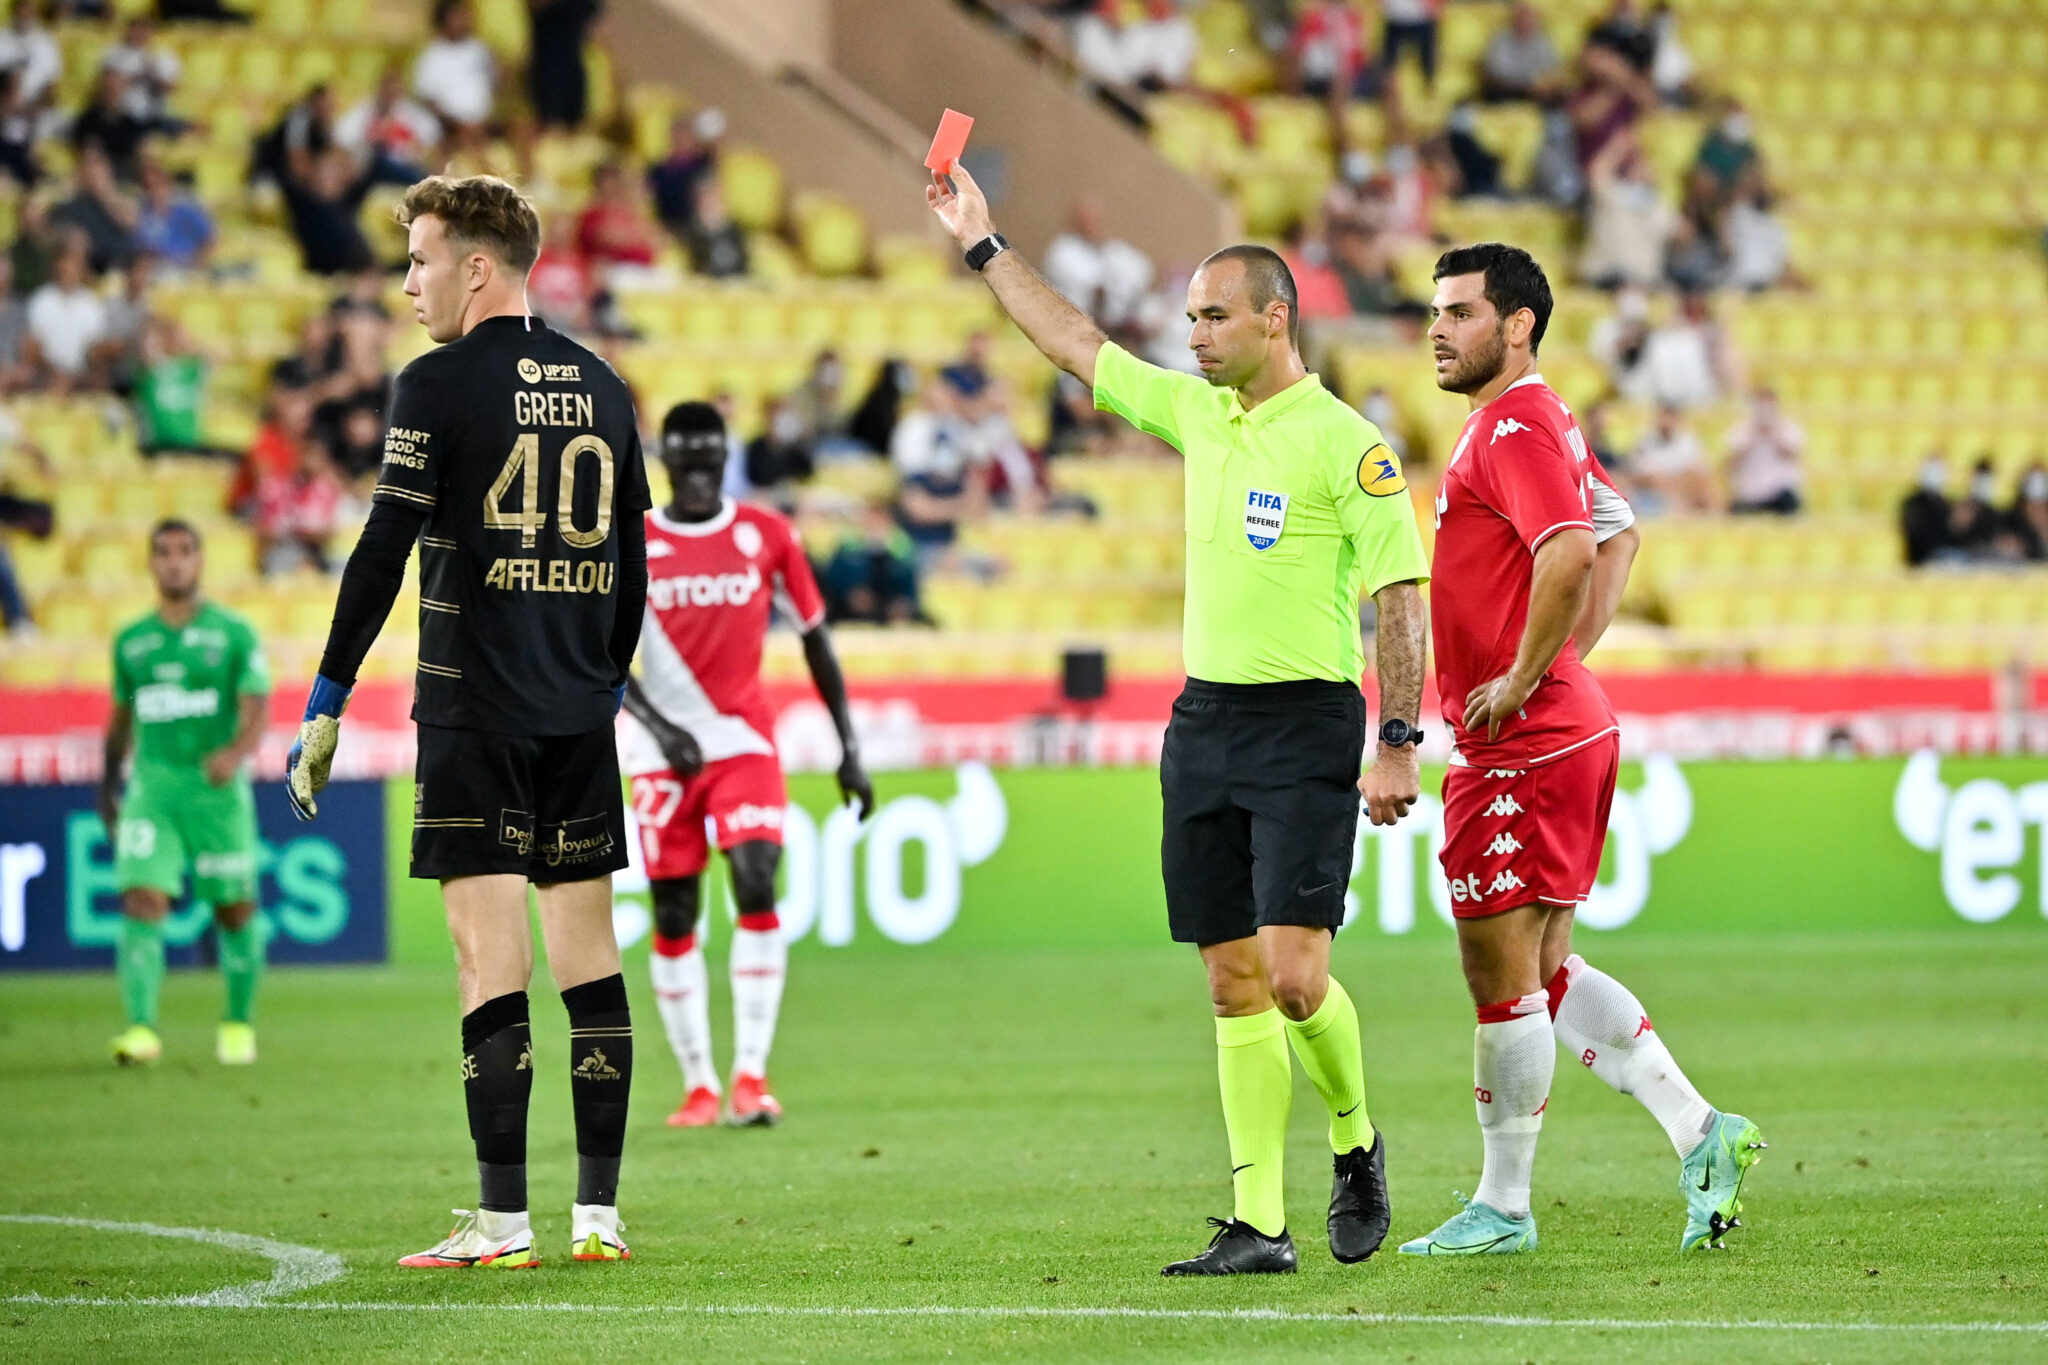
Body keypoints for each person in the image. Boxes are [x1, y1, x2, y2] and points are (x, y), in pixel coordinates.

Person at [929, 160, 1430, 1275]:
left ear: (1273, 319)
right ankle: (1258, 1224)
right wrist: (981, 242)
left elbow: (1399, 597)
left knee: (1298, 977)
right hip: (1202, 726)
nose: (1192, 334)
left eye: (1212, 315)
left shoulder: (1346, 443)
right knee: (1228, 977)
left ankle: (1353, 1139)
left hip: (1306, 726)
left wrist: (1396, 741)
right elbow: (1072, 345)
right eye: (1188, 316)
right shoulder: (1196, 414)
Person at [286, 175, 652, 1269]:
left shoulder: (435, 384)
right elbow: (631, 569)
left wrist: (328, 694)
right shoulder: (604, 385)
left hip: (474, 710)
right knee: (588, 962)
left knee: (487, 966)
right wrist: (601, 682)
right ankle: (598, 1217)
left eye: (419, 259)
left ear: (476, 268)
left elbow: (382, 549)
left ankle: (501, 1223)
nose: (408, 283)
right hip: (578, 719)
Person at [1400, 241, 1761, 1258]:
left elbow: (1570, 546)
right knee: (1545, 966)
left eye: (1460, 312)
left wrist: (1521, 677)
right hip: (1563, 723)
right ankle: (1702, 1132)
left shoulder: (1511, 423)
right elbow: (1619, 527)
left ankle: (1502, 1206)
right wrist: (1563, 660)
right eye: (1434, 311)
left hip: (1525, 739)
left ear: (1515, 325)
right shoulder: (1540, 416)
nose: (1437, 328)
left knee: (1498, 971)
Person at [622, 401, 873, 1130]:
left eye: (710, 456)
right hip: (660, 753)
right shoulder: (632, 542)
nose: (699, 469)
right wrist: (661, 729)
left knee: (757, 881)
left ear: (723, 456)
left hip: (743, 743)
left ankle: (751, 1077)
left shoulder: (765, 534)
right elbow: (602, 658)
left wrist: (849, 750)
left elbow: (817, 641)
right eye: (685, 457)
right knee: (674, 911)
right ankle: (699, 1082)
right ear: (665, 459)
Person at [97, 520, 270, 1068]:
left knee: (234, 910)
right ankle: (141, 1029)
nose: (174, 562)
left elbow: (257, 707)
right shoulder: (131, 641)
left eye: (184, 552)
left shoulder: (234, 634)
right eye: (163, 553)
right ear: (150, 564)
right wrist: (107, 791)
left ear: (200, 561)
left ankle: (238, 1022)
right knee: (141, 898)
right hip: (154, 790)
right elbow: (120, 720)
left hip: (216, 793)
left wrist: (236, 752)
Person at [412, 0, 496, 137]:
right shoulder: (431, 56)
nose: (463, 20)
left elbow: (495, 88)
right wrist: (457, 125)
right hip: (448, 131)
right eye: (457, 16)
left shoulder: (480, 50)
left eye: (465, 15)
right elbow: (428, 103)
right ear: (443, 20)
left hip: (483, 127)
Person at [1725, 386, 1803, 516]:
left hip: (1780, 492)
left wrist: (1773, 434)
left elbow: (1792, 456)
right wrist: (1752, 437)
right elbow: (1731, 463)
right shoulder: (1741, 429)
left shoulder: (1788, 427)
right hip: (1750, 493)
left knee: (1790, 502)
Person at [1480, 2, 1560, 102]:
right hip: (1506, 89)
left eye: (1529, 20)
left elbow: (1549, 70)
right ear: (1513, 21)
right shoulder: (1501, 39)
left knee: (1554, 95)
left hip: (1533, 91)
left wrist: (1539, 85)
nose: (1525, 22)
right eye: (1521, 19)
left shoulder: (1543, 41)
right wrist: (1527, 83)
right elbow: (1496, 71)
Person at [1900, 454, 1953, 567]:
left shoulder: (1946, 504)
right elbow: (1916, 536)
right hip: (1923, 558)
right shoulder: (1913, 504)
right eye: (1932, 469)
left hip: (1946, 554)